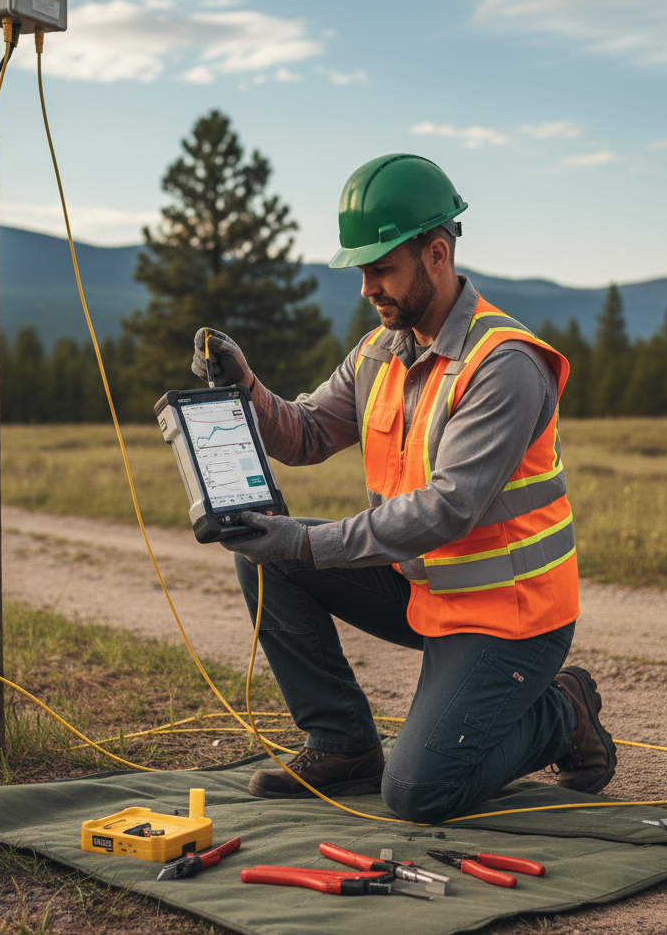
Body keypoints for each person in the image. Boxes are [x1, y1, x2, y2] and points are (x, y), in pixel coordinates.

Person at [190, 153, 617, 824]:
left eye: (381, 268)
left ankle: (564, 712)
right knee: (264, 558)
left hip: (510, 618)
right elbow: (304, 434)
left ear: (437, 254)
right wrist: (245, 386)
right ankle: (342, 745)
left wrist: (304, 540)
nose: (366, 287)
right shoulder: (380, 352)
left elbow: (446, 509)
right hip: (426, 589)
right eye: (360, 269)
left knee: (419, 794)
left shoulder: (504, 364)